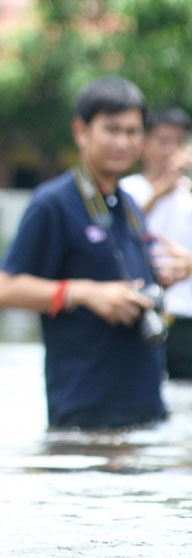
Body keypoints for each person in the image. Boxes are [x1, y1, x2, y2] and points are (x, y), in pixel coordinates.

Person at [0, 76, 192, 430]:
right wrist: (85, 293)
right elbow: (3, 290)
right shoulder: (53, 203)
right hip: (86, 416)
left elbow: (130, 286)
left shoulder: (129, 205)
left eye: (132, 131)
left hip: (145, 408)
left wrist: (175, 275)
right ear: (81, 131)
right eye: (111, 130)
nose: (123, 142)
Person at [120, 107, 192, 380]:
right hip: (141, 312)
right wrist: (162, 188)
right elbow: (123, 232)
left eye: (179, 142)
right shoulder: (128, 189)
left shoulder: (188, 193)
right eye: (163, 141)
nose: (172, 150)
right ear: (145, 145)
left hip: (185, 317)